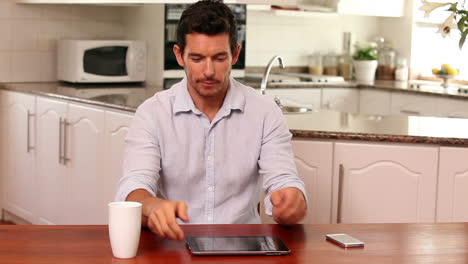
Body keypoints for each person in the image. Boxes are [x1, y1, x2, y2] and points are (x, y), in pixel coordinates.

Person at [115, 0, 307, 241]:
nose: (208, 71)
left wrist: (291, 201)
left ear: (235, 54)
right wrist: (151, 205)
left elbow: (284, 180)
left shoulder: (265, 112)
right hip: (174, 244)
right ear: (179, 55)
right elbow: (133, 185)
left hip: (243, 246)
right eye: (197, 59)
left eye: (219, 58)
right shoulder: (152, 113)